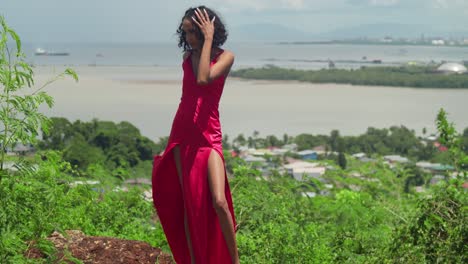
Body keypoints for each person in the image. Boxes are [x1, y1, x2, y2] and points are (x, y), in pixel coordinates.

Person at [151, 6, 240, 264]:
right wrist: (202, 44)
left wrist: (209, 39)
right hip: (182, 133)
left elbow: (204, 79)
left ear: (207, 29)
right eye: (186, 32)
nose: (189, 37)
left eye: (194, 31)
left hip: (209, 135)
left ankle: (234, 260)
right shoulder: (189, 57)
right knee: (190, 205)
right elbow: (198, 79)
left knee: (219, 202)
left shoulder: (227, 57)